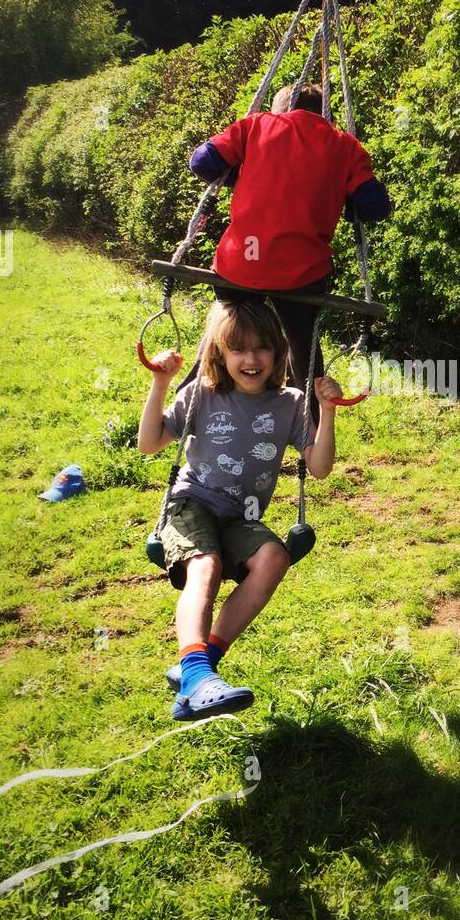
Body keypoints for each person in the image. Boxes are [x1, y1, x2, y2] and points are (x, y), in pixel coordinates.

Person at [138, 295, 342, 720]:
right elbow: (149, 443)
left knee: (273, 557)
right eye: (238, 348)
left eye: (262, 347)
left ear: (278, 352)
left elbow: (319, 468)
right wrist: (160, 382)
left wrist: (327, 411)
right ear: (220, 353)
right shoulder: (202, 394)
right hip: (191, 504)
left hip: (242, 517)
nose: (251, 358)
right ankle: (197, 673)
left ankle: (198, 669)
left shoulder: (290, 403)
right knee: (205, 565)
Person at [189, 82, 390, 424]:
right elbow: (376, 207)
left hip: (239, 264)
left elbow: (202, 163)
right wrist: (340, 190)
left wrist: (243, 172)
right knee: (303, 344)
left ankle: (193, 404)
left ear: (279, 108)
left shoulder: (255, 125)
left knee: (227, 333)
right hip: (302, 273)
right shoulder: (344, 146)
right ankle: (308, 424)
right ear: (322, 113)